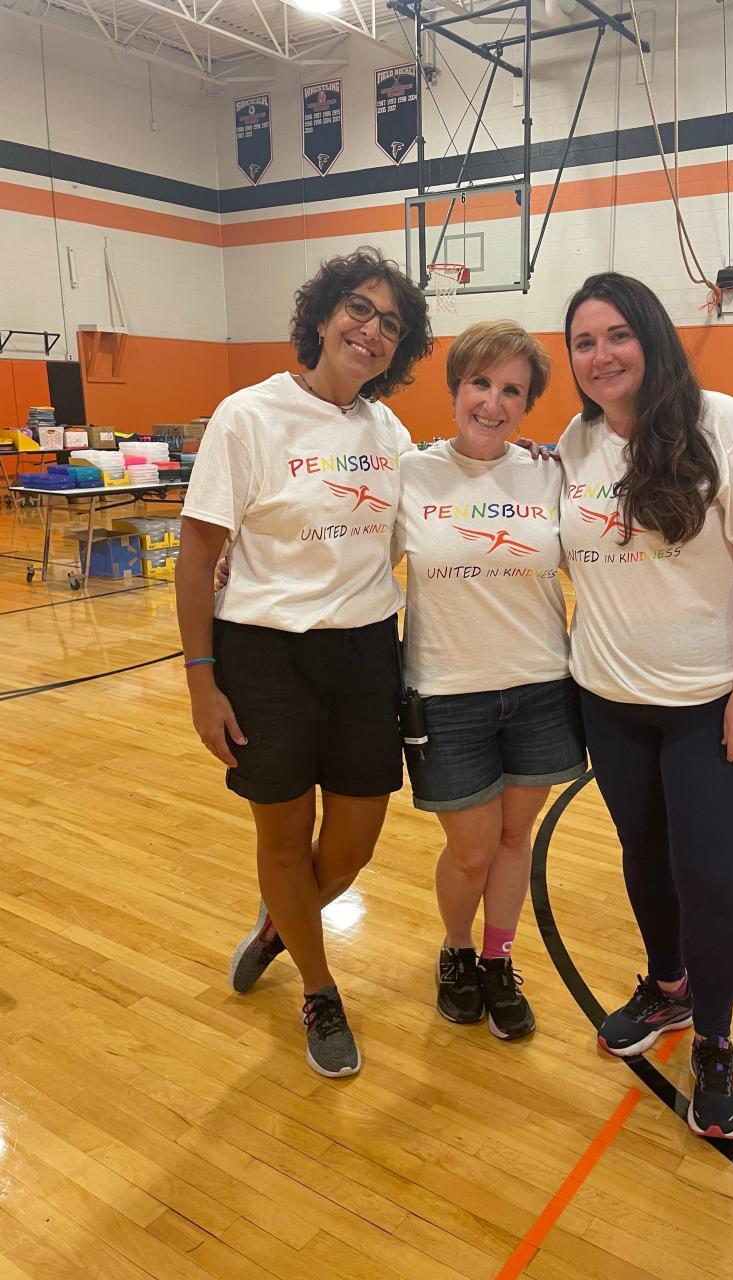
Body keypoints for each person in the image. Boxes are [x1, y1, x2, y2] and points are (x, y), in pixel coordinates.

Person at [175, 246, 431, 1079]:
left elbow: (426, 524)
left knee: (352, 845)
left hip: (364, 655)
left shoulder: (389, 431)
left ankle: (278, 926)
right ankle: (319, 991)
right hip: (265, 658)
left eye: (390, 323)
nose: (371, 329)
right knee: (283, 840)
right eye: (359, 308)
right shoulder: (247, 416)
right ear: (321, 316)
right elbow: (197, 550)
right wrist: (201, 679)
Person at [557, 272, 733, 1139]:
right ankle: (668, 992)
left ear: (652, 338)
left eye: (616, 334)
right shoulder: (575, 443)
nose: (600, 355)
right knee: (643, 855)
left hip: (713, 701)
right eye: (583, 341)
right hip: (611, 700)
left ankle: (717, 1041)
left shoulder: (723, 424)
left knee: (707, 875)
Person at [394, 320, 587, 1040]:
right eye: (481, 383)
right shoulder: (410, 473)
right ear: (456, 388)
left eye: (512, 390)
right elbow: (353, 562)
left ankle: (499, 959)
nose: (493, 403)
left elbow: (595, 557)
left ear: (527, 403)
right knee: (470, 849)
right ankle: (457, 950)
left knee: (515, 840)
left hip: (541, 687)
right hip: (447, 694)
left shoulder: (549, 473)